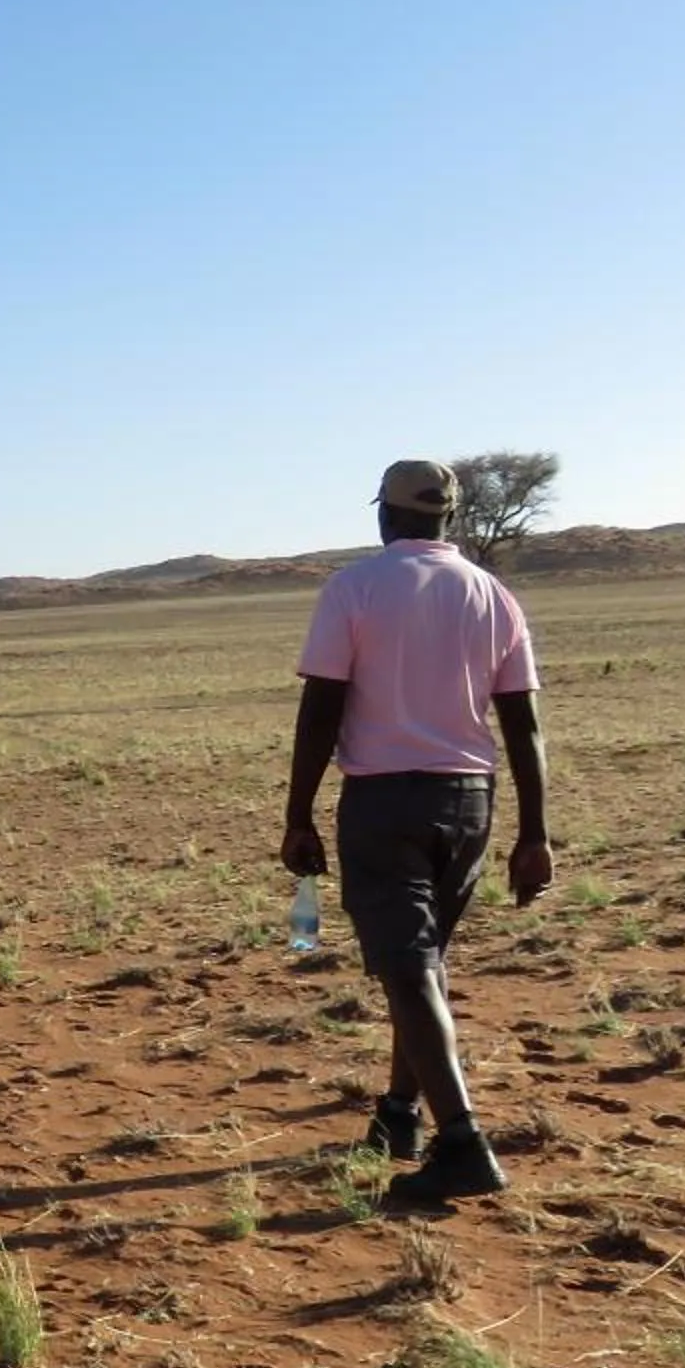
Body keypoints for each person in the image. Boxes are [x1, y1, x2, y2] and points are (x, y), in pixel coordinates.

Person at [282, 459, 554, 1205]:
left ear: (386, 516)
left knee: (409, 970)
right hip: (471, 799)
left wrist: (298, 812)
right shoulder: (494, 595)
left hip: (383, 801)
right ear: (450, 518)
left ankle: (463, 1143)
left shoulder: (356, 588)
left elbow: (321, 709)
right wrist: (534, 833)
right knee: (423, 964)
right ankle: (399, 1116)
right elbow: (523, 725)